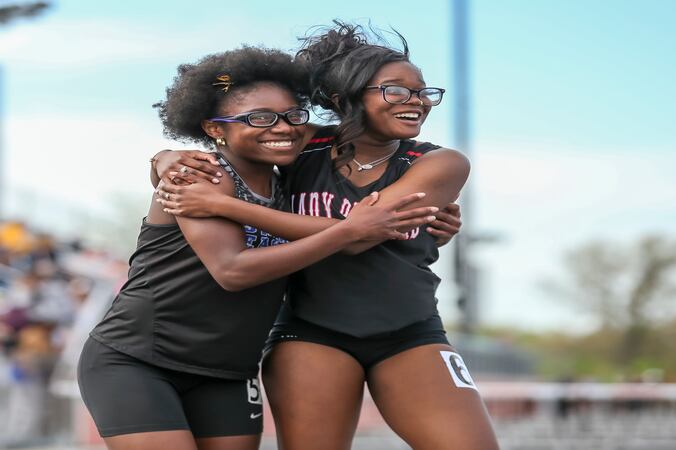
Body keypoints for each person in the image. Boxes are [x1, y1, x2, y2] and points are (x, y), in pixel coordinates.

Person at [153, 23, 498, 450]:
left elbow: (357, 236)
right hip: (311, 332)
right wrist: (163, 156)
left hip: (410, 332)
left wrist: (228, 206)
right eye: (396, 90)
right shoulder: (302, 144)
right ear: (344, 99)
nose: (416, 101)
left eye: (423, 92)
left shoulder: (439, 163)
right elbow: (237, 141)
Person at [77, 46, 439, 450]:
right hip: (140, 358)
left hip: (228, 371)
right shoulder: (198, 177)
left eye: (292, 116)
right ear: (215, 129)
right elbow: (233, 271)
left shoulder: (292, 182)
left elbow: (349, 202)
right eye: (259, 119)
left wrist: (426, 227)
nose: (281, 128)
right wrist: (351, 230)